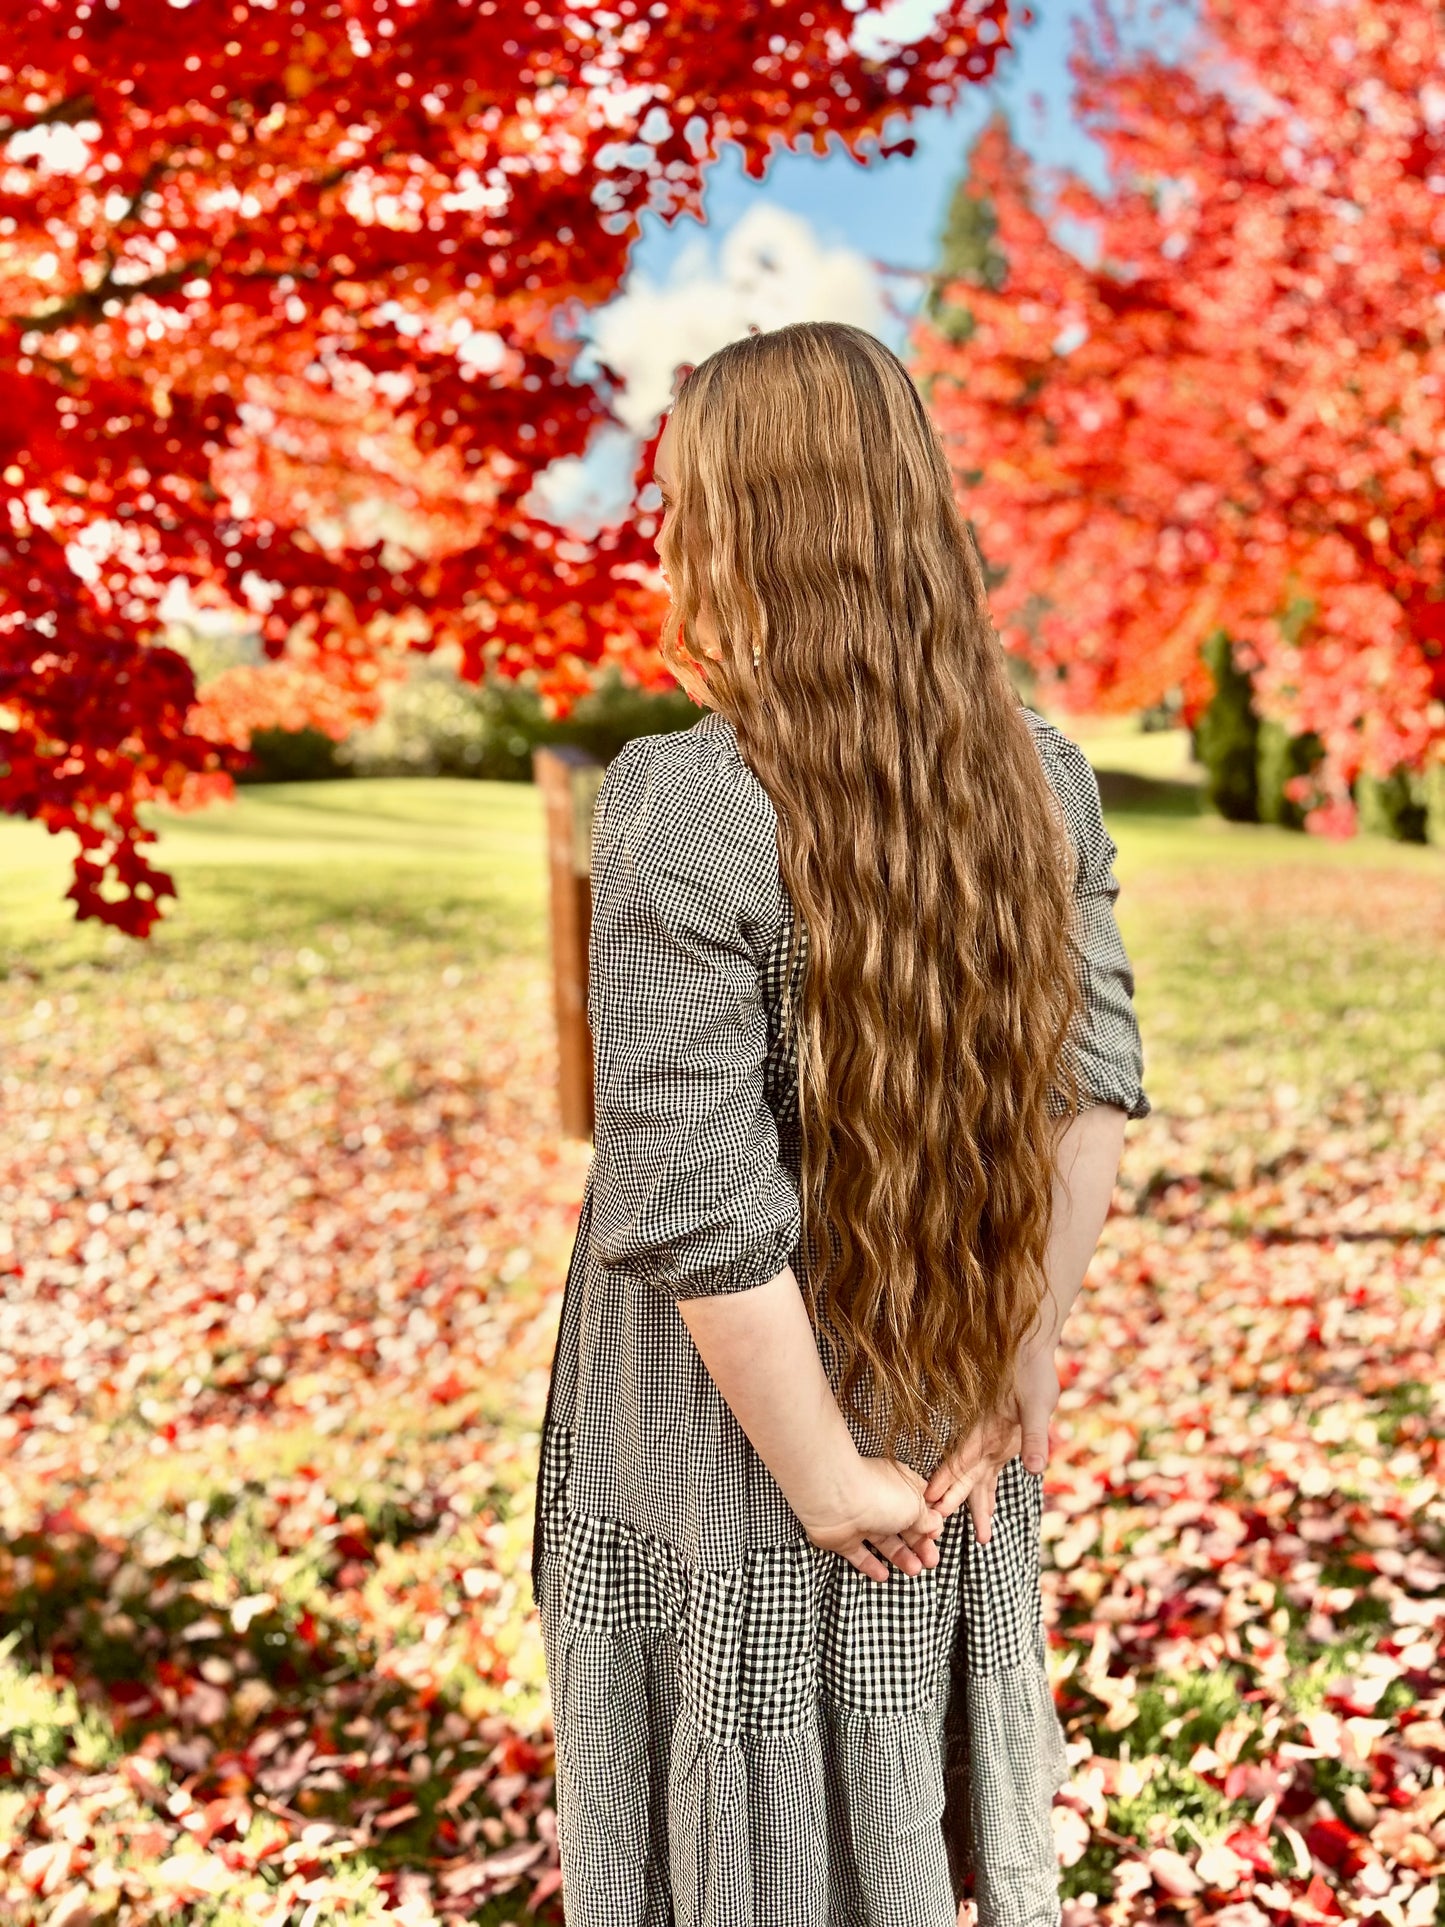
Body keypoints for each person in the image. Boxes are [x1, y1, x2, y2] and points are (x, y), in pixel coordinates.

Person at [529, 320, 1149, 1927]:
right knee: (895, 1785)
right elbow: (1090, 1098)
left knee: (737, 1813)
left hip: (723, 1421)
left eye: (684, 506)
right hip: (945, 1382)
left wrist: (814, 1472)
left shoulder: (684, 803)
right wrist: (1019, 1360)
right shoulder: (1044, 780)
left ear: (743, 533)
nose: (667, 536)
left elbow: (695, 1200)